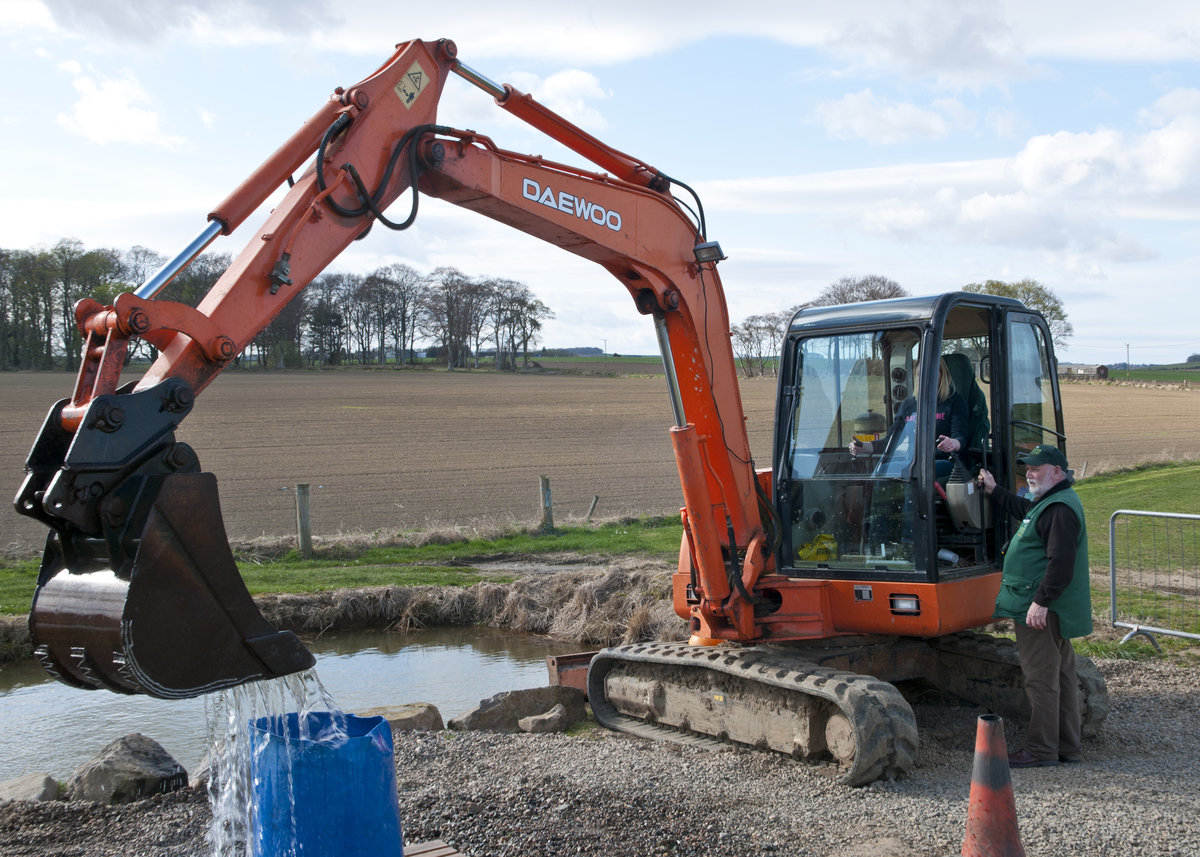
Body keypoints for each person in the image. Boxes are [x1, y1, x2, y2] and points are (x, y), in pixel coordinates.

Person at [977, 445, 1092, 768]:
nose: (1029, 474)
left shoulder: (1059, 510)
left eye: (1036, 469)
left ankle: (1041, 749)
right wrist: (995, 490)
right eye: (1027, 469)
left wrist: (1040, 602)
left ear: (1057, 472)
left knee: (1040, 679)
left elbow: (1061, 563)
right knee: (1062, 676)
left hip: (1041, 609)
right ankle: (1067, 746)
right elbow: (1025, 509)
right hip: (1052, 608)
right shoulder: (1052, 502)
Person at [850, 356, 968, 478]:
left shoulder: (955, 401)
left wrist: (952, 443)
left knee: (915, 470)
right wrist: (862, 447)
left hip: (944, 461)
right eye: (919, 374)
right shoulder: (909, 405)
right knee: (883, 469)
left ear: (942, 375)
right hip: (914, 462)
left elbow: (960, 438)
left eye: (930, 373)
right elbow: (890, 442)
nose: (924, 377)